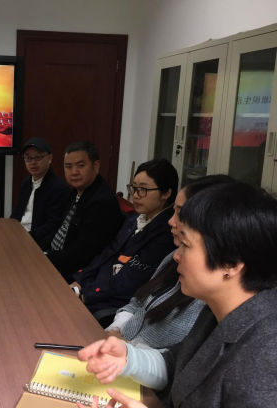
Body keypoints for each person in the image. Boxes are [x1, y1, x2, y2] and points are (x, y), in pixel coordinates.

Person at [77, 182, 277, 407]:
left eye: (186, 245)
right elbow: (177, 364)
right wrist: (127, 358)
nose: (176, 256)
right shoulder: (217, 312)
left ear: (230, 263)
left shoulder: (267, 351)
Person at [105, 175, 234, 350]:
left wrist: (129, 352)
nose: (171, 221)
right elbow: (137, 302)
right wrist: (116, 330)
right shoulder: (173, 256)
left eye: (180, 214)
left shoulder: (212, 301)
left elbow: (176, 358)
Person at [70, 159, 177, 316]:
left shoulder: (167, 234)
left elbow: (129, 282)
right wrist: (80, 279)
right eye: (134, 188)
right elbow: (108, 253)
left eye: (143, 189)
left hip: (114, 303)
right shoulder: (134, 219)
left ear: (166, 193)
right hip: (96, 287)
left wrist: (86, 295)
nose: (135, 195)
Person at [39, 141, 123, 282]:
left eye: (80, 166)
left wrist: (44, 257)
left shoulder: (101, 202)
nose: (74, 172)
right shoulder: (75, 192)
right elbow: (61, 229)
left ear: (96, 166)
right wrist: (39, 249)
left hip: (75, 276)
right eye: (68, 167)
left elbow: (80, 255)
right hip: (56, 261)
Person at [10, 137, 70, 244]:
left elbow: (53, 225)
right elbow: (16, 214)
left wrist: (25, 237)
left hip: (36, 242)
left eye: (38, 157)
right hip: (18, 236)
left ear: (49, 158)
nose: (32, 162)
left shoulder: (59, 188)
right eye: (28, 158)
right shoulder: (25, 183)